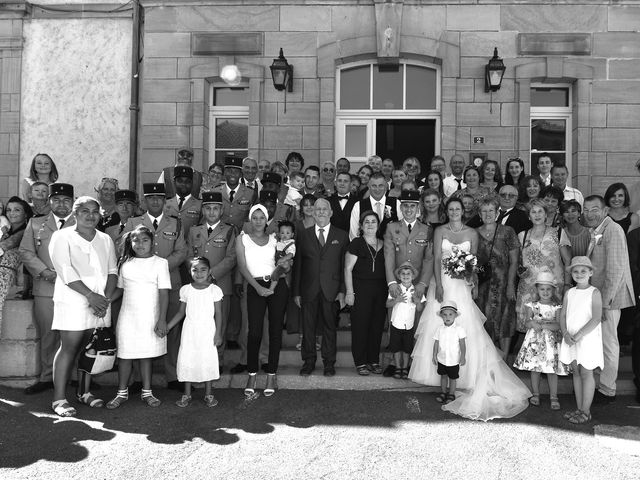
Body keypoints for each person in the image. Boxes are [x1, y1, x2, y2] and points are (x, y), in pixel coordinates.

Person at [409, 196, 531, 421]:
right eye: (452, 208)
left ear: (463, 211)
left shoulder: (472, 233)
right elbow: (436, 258)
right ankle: (439, 377)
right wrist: (438, 284)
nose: (455, 212)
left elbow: (473, 262)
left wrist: (472, 281)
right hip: (443, 283)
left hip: (462, 285)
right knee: (438, 325)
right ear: (448, 211)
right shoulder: (440, 230)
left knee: (465, 326)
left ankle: (464, 375)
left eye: (458, 209)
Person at [49, 196, 118, 417]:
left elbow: (112, 271)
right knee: (69, 348)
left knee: (91, 349)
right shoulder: (62, 237)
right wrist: (90, 296)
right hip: (73, 301)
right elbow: (65, 270)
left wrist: (104, 299)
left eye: (95, 211)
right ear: (75, 214)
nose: (90, 216)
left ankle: (83, 392)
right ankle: (59, 399)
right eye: (84, 211)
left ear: (100, 215)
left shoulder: (105, 239)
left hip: (100, 303)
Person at [123, 183, 188, 391]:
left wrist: (157, 268)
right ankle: (135, 380)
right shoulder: (133, 222)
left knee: (172, 329)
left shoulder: (176, 224)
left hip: (171, 283)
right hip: (139, 288)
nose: (155, 202)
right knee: (137, 329)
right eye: (151, 198)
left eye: (160, 198)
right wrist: (149, 270)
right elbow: (124, 249)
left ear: (165, 201)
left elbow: (181, 252)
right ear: (144, 201)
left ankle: (172, 376)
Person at [105, 225, 171, 409]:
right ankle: (121, 393)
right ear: (130, 242)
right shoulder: (125, 263)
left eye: (145, 240)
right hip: (128, 316)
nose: (140, 244)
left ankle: (147, 392)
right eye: (136, 240)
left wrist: (162, 319)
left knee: (146, 355)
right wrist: (106, 301)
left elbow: (164, 293)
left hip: (151, 315)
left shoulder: (160, 263)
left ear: (152, 242)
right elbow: (120, 288)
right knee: (125, 354)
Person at [20, 183, 74, 395]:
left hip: (74, 289)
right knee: (48, 333)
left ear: (73, 201)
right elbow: (26, 252)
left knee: (74, 332)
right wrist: (44, 272)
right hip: (46, 287)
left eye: (66, 200)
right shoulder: (35, 223)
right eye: (57, 199)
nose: (61, 204)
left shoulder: (83, 223)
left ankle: (75, 376)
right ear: (49, 201)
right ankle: (47, 377)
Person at [582, 195, 635, 403]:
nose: (589, 213)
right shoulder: (596, 230)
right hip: (598, 298)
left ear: (605, 211)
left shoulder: (613, 230)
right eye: (586, 210)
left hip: (609, 300)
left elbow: (615, 270)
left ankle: (607, 389)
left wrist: (604, 303)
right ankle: (601, 383)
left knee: (609, 343)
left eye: (594, 209)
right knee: (601, 342)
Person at [237, 204, 290, 394]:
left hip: (276, 286)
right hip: (255, 286)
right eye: (255, 217)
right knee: (255, 332)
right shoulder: (242, 239)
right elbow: (242, 268)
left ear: (266, 219)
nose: (258, 221)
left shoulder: (275, 239)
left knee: (275, 331)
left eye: (261, 218)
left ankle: (271, 376)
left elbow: (284, 263)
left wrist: (274, 284)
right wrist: (258, 288)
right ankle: (252, 375)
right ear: (250, 220)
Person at [293, 198, 348, 377]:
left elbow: (343, 266)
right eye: (318, 209)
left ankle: (329, 363)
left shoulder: (341, 235)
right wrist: (296, 292)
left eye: (325, 209)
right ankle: (308, 362)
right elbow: (298, 266)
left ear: (331, 213)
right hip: (308, 289)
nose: (321, 212)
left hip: (331, 289)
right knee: (308, 328)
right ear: (313, 213)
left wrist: (342, 290)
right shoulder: (303, 234)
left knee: (329, 327)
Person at [186, 191, 236, 370]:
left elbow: (231, 258)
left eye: (216, 208)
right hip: (198, 286)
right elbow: (189, 256)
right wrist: (198, 274)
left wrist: (210, 274)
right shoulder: (194, 231)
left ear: (221, 210)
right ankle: (200, 362)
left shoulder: (229, 230)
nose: (212, 212)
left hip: (220, 285)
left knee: (219, 325)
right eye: (208, 208)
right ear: (203, 210)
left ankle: (218, 360)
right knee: (200, 324)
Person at [165, 257, 223, 408]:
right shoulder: (186, 290)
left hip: (208, 330)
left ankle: (208, 394)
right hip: (190, 331)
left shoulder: (214, 290)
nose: (199, 273)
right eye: (195, 270)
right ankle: (187, 394)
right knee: (188, 359)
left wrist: (218, 334)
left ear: (210, 271)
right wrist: (168, 327)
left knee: (207, 358)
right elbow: (180, 313)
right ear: (190, 272)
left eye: (203, 269)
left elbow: (219, 314)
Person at [513, 271, 568, 410]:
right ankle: (535, 393)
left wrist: (542, 325)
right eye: (542, 289)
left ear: (553, 290)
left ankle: (553, 396)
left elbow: (558, 325)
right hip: (534, 343)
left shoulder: (557, 306)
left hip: (550, 343)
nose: (545, 292)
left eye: (548, 289)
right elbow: (526, 322)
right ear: (537, 289)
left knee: (551, 370)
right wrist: (532, 323)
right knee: (535, 368)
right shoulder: (531, 305)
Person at [559, 256, 603, 424]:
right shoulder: (570, 293)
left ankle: (586, 410)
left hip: (586, 338)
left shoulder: (595, 292)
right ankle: (579, 409)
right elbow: (563, 315)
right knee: (576, 372)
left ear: (590, 272)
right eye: (575, 271)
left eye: (583, 271)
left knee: (586, 372)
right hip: (570, 338)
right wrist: (565, 334)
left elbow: (596, 318)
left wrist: (578, 336)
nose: (579, 274)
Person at [344, 211, 387, 376]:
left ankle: (373, 360)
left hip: (380, 290)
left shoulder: (384, 243)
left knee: (376, 326)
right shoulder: (356, 243)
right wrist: (349, 292)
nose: (370, 224)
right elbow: (347, 269)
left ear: (378, 225)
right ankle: (361, 362)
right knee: (360, 326)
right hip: (361, 289)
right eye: (366, 222)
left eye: (373, 221)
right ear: (361, 226)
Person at [475, 197, 519, 357]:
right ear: (479, 213)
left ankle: (505, 358)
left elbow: (514, 261)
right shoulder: (474, 233)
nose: (487, 214)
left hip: (503, 283)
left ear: (497, 213)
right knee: (485, 319)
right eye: (484, 211)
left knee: (505, 319)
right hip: (482, 285)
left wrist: (510, 285)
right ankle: (490, 358)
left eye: (491, 210)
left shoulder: (508, 232)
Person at [515, 199, 564, 332]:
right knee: (531, 321)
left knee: (552, 319)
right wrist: (520, 271)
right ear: (529, 216)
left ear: (546, 214)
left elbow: (567, 259)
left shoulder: (558, 233)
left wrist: (567, 284)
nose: (537, 215)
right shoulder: (522, 235)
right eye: (533, 212)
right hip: (529, 284)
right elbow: (518, 262)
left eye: (540, 211)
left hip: (552, 285)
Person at [385, 262, 425, 380]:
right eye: (403, 273)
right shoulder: (395, 289)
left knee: (407, 348)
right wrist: (396, 300)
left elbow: (420, 309)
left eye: (408, 273)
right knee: (396, 348)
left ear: (413, 276)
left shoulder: (417, 290)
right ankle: (398, 368)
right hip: (396, 324)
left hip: (409, 325)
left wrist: (417, 301)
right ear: (399, 276)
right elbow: (387, 304)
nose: (406, 276)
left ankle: (405, 368)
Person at [0, 197, 33, 336]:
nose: (12, 213)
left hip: (6, 279)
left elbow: (3, 248)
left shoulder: (26, 231)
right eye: (9, 210)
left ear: (25, 214)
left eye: (17, 210)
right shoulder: (5, 231)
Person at [432, 301, 466, 404]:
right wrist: (434, 355)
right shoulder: (439, 329)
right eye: (445, 314)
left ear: (455, 315)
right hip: (442, 358)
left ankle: (451, 393)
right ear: (441, 316)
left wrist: (463, 356)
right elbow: (436, 343)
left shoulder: (459, 329)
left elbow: (462, 344)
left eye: (450, 314)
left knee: (453, 378)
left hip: (453, 359)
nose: (448, 317)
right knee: (443, 376)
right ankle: (443, 392)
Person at [349, 172, 402, 240]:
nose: (377, 189)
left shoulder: (396, 203)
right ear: (368, 186)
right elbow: (354, 234)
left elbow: (402, 230)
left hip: (391, 248)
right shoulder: (358, 205)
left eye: (381, 185)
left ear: (386, 185)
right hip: (365, 249)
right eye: (374, 186)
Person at [214, 156, 255, 232]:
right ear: (224, 173)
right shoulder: (215, 192)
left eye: (236, 171)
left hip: (241, 236)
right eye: (229, 171)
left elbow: (252, 218)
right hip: (219, 237)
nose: (232, 174)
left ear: (240, 174)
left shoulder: (250, 193)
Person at [164, 166, 203, 238]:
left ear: (192, 183)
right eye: (180, 181)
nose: (183, 184)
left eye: (187, 182)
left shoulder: (200, 205)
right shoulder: (165, 204)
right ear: (174, 182)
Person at [558, 199, 590, 287]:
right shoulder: (560, 234)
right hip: (566, 278)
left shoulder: (589, 233)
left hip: (586, 277)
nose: (570, 214)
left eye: (573, 211)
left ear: (579, 213)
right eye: (566, 212)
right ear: (562, 216)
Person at [269, 220, 296, 292]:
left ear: (292, 235)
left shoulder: (290, 244)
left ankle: (271, 289)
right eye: (282, 233)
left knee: (275, 275)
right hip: (277, 262)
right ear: (279, 234)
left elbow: (291, 254)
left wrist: (283, 259)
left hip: (284, 263)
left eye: (288, 233)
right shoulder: (280, 242)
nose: (284, 235)